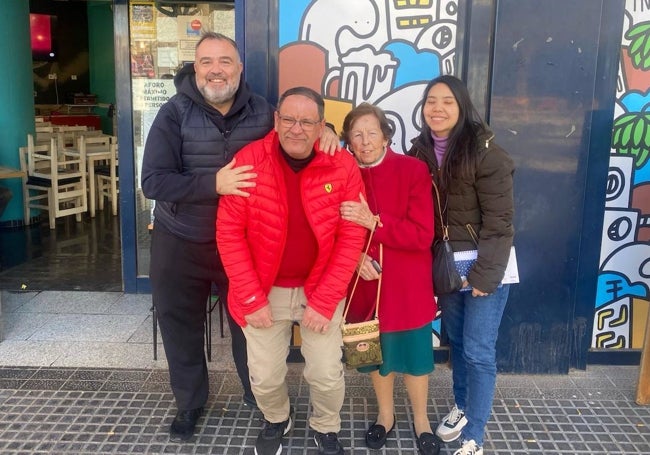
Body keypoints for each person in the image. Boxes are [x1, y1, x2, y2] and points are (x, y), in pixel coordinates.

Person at [141, 32, 340, 443]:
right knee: (181, 326)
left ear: (239, 68)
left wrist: (329, 132)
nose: (216, 69)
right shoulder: (173, 113)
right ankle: (190, 403)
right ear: (195, 69)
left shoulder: (263, 110)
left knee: (248, 324)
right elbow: (153, 181)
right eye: (207, 62)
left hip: (247, 244)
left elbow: (296, 129)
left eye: (225, 61)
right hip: (181, 240)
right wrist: (212, 183)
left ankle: (259, 397)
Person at [216, 86, 367, 455]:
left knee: (327, 373)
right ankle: (277, 419)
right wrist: (252, 297)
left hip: (321, 287)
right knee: (265, 376)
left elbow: (352, 235)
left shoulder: (341, 164)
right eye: (288, 119)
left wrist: (327, 297)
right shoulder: (249, 160)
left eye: (306, 121)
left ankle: (326, 426)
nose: (295, 129)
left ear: (321, 127)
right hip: (263, 288)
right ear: (275, 120)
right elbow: (229, 233)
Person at [407, 75, 515, 455]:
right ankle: (463, 406)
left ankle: (476, 436)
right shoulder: (418, 152)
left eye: (447, 102)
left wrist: (486, 276)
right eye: (431, 101)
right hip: (446, 267)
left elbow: (501, 223)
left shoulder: (487, 154)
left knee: (479, 350)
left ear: (462, 107)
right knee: (458, 345)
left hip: (484, 266)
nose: (437, 108)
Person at [339, 103, 441, 455]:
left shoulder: (412, 170)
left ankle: (422, 419)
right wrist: (352, 258)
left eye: (372, 133)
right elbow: (332, 229)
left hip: (407, 284)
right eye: (357, 135)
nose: (365, 142)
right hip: (364, 282)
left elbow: (421, 235)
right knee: (376, 356)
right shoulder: (343, 173)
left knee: (415, 358)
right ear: (348, 142)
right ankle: (385, 416)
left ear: (386, 136)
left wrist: (374, 223)